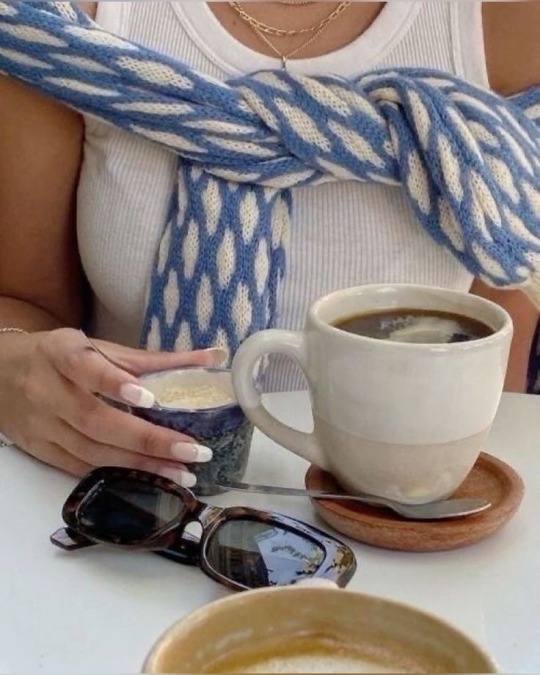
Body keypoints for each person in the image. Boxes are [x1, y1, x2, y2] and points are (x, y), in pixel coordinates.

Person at [0, 1, 538, 486]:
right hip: (118, 503)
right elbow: (23, 306)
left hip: (401, 511)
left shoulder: (512, 22)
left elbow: (501, 380)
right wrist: (15, 367)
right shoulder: (63, 20)